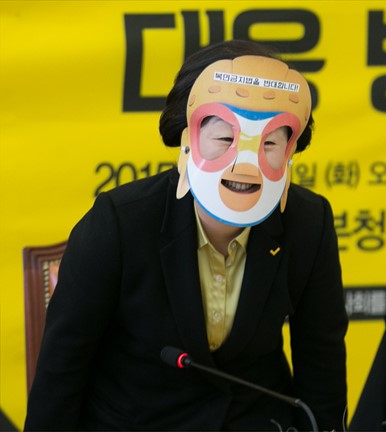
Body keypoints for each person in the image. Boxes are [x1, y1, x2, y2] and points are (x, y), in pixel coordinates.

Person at [25, 39, 348, 431]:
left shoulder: (309, 222)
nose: (245, 163)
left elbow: (322, 365)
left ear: (290, 150)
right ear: (188, 138)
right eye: (225, 139)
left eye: (269, 143)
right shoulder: (120, 222)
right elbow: (62, 371)